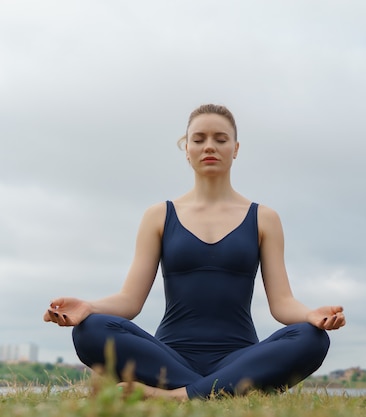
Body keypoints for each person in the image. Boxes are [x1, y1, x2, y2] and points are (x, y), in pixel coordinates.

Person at [43, 104, 346, 400]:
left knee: (311, 338)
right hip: (167, 358)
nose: (209, 147)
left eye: (221, 139)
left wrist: (310, 315)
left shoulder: (264, 218)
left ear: (236, 148)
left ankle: (173, 396)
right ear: (186, 148)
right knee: (90, 330)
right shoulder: (159, 215)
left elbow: (281, 304)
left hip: (239, 358)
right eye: (199, 140)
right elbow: (129, 301)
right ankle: (223, 391)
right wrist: (88, 308)